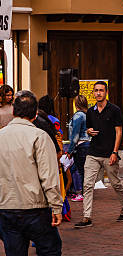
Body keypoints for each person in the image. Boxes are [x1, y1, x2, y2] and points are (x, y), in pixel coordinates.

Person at [0, 90, 63, 255]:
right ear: (35, 113)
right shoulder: (39, 137)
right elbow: (48, 176)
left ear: (14, 111)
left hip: (6, 207)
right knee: (50, 250)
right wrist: (56, 206)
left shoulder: (1, 136)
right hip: (35, 208)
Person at [75, 81, 123, 228]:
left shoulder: (114, 110)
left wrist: (114, 152)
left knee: (115, 183)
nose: (98, 93)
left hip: (109, 154)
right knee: (87, 184)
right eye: (96, 91)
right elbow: (89, 129)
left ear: (106, 92)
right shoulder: (91, 112)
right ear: (93, 93)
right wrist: (88, 132)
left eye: (101, 90)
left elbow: (119, 132)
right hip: (93, 153)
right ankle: (87, 217)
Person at [67, 95, 91, 203]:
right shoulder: (88, 114)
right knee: (84, 171)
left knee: (80, 171)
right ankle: (85, 193)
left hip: (81, 145)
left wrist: (70, 150)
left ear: (76, 104)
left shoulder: (78, 116)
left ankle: (80, 193)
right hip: (88, 144)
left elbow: (75, 135)